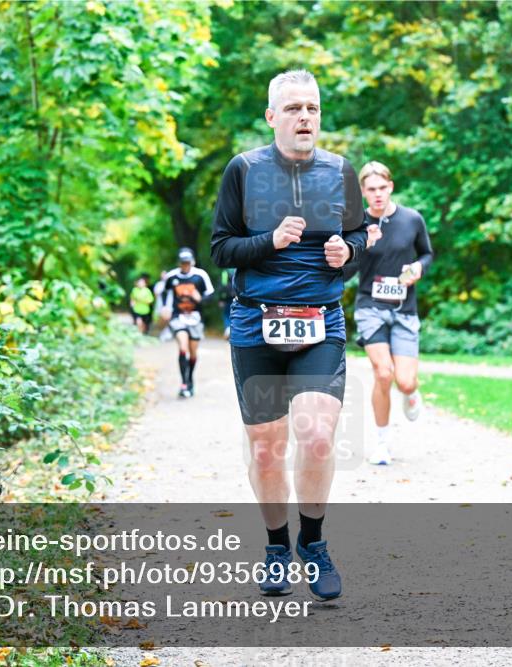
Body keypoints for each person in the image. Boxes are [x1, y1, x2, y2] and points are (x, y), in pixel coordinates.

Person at [210, 69, 367, 601]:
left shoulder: (340, 171)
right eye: (295, 108)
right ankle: (277, 546)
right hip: (256, 322)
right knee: (265, 451)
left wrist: (348, 252)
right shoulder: (244, 170)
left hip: (320, 321)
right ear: (272, 116)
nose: (306, 117)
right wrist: (270, 241)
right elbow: (222, 249)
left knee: (318, 434)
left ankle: (314, 544)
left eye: (314, 108)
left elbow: (357, 236)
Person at [352, 161, 433, 465]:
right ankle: (382, 444)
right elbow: (346, 268)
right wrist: (360, 246)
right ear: (362, 192)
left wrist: (418, 268)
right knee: (382, 373)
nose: (377, 195)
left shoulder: (412, 219)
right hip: (370, 307)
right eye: (371, 189)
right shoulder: (357, 223)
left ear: (391, 187)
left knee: (405, 381)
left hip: (404, 310)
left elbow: (427, 253)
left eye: (382, 188)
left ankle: (412, 393)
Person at [158, 248, 214, 398]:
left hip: (196, 317)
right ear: (179, 263)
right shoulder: (172, 276)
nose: (185, 266)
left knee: (193, 352)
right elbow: (164, 293)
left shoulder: (200, 276)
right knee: (183, 347)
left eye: (188, 263)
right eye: (183, 263)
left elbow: (211, 296)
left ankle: (190, 380)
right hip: (178, 317)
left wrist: (199, 298)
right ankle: (183, 383)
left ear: (192, 262)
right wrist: (165, 308)